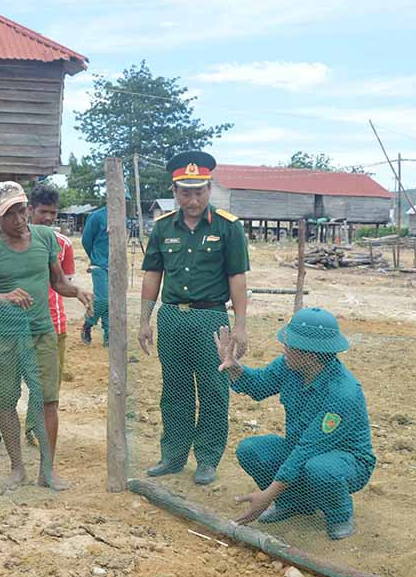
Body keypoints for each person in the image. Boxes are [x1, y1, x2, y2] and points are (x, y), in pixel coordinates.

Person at [0, 181, 93, 491]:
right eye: (11, 213)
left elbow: (58, 283)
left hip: (41, 332)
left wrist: (76, 291)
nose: (20, 219)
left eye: (23, 210)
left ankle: (47, 472)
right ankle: (16, 468)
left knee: (48, 401)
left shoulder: (45, 238)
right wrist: (5, 297)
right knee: (5, 402)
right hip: (2, 335)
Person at [215, 307, 375, 540]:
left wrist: (267, 495)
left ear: (311, 354)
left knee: (319, 469)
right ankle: (293, 503)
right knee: (251, 450)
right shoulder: (288, 366)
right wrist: (234, 368)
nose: (284, 347)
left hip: (345, 462)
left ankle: (339, 513)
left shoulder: (343, 392)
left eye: (291, 344)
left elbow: (308, 449)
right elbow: (260, 385)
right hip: (302, 450)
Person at [139, 150, 249, 486]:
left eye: (199, 191)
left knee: (214, 389)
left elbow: (237, 279)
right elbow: (152, 275)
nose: (193, 199)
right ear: (174, 192)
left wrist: (240, 326)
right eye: (185, 192)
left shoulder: (229, 228)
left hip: (211, 320)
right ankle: (172, 455)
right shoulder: (161, 228)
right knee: (174, 389)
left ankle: (207, 459)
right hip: (172, 318)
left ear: (209, 189)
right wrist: (145, 320)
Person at [23, 183, 75, 447]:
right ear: (30, 209)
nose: (48, 218)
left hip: (54, 324)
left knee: (48, 386)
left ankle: (35, 428)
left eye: (53, 213)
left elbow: (64, 283)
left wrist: (79, 293)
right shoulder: (13, 240)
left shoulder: (63, 244)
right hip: (19, 325)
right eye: (43, 211)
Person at [81, 205, 109, 346]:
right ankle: (88, 323)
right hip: (99, 264)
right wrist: (94, 257)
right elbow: (86, 240)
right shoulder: (97, 216)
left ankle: (109, 337)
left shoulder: (123, 217)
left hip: (116, 266)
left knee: (113, 302)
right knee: (103, 299)